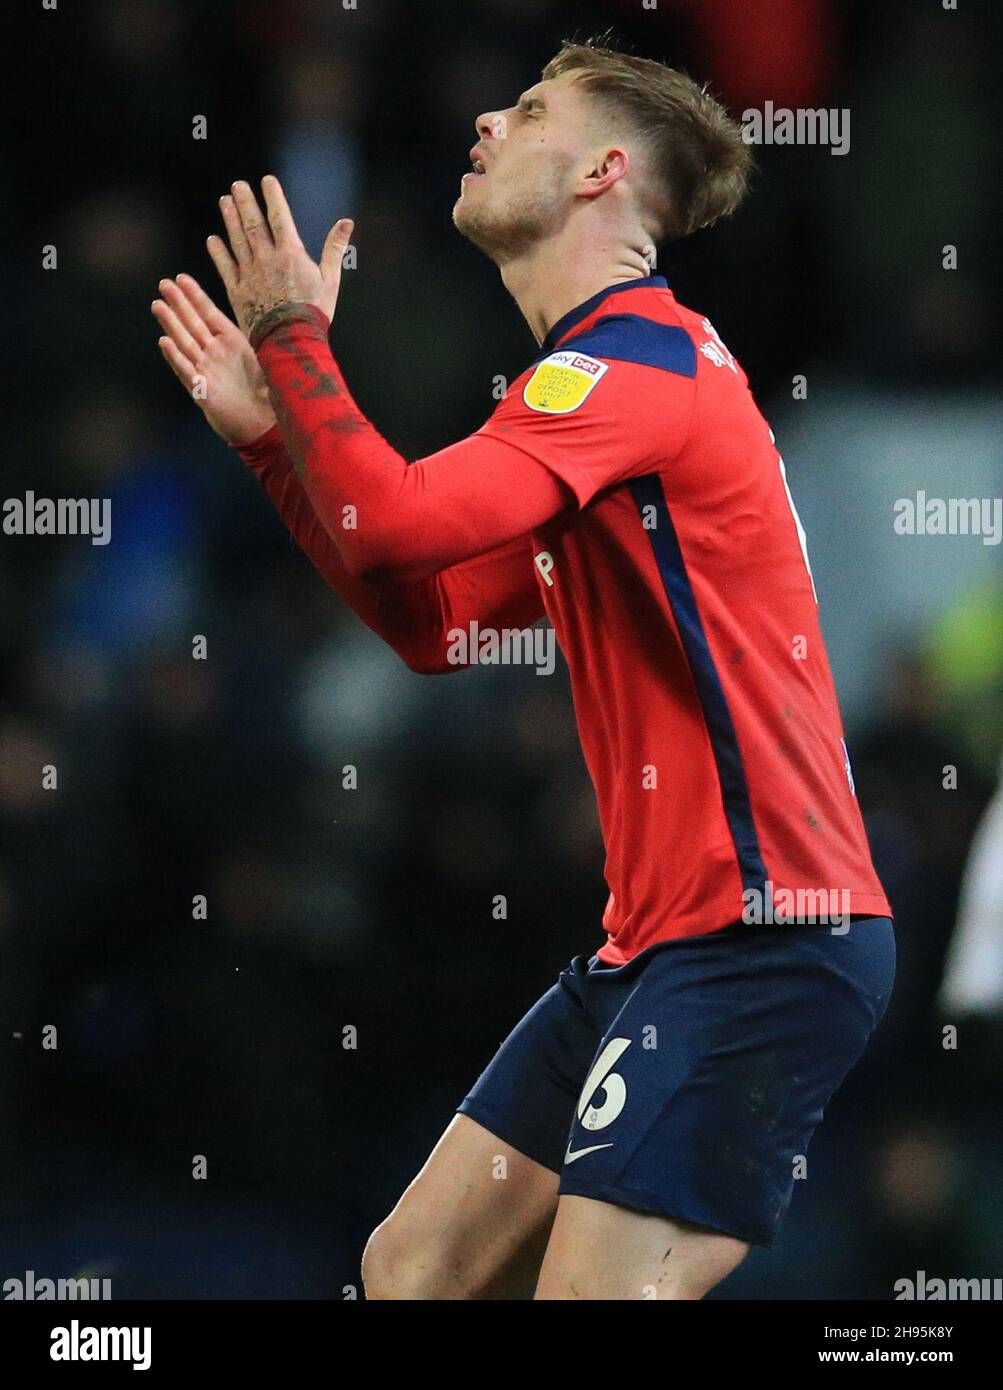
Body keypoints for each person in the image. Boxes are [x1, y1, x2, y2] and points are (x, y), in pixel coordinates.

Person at [152, 39, 894, 1300]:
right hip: (652, 946)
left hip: (764, 938)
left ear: (605, 171)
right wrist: (282, 452)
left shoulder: (637, 369)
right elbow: (432, 623)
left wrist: (290, 335)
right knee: (414, 1265)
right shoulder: (588, 389)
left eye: (532, 108)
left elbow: (391, 524)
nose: (487, 117)